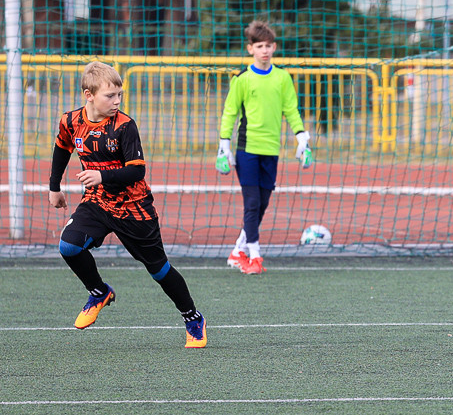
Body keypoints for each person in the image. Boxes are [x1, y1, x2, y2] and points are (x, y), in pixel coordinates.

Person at [48, 61, 207, 348]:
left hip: (134, 207)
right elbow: (61, 148)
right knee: (68, 245)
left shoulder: (124, 126)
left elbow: (137, 171)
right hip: (97, 202)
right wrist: (54, 188)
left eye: (119, 95)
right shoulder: (70, 121)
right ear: (89, 95)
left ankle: (193, 317)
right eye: (110, 96)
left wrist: (100, 175)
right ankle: (99, 292)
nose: (117, 101)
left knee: (158, 270)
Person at [217, 19, 311, 275]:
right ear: (251, 49)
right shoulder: (243, 79)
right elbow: (230, 112)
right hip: (247, 149)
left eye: (268, 45)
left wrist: (301, 136)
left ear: (274, 47)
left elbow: (291, 110)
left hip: (271, 150)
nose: (265, 50)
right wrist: (224, 144)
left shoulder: (282, 78)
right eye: (260, 46)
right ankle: (255, 257)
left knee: (263, 203)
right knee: (252, 203)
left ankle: (238, 251)